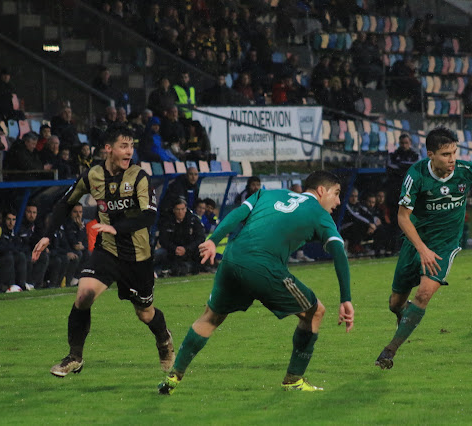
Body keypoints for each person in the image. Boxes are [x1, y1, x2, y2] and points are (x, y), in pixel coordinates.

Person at [157, 170, 354, 395]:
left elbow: (237, 214)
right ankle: (293, 380)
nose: (338, 201)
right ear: (321, 191)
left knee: (210, 318)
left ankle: (175, 375)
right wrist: (346, 298)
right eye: (336, 194)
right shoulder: (319, 214)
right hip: (263, 267)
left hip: (232, 259)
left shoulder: (267, 194)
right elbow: (339, 251)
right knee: (315, 312)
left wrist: (213, 241)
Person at [31, 126, 175, 377]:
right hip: (107, 251)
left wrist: (116, 228)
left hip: (138, 257)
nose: (129, 151)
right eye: (123, 146)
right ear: (108, 149)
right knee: (84, 294)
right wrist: (47, 235)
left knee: (144, 313)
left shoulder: (139, 176)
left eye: (131, 146)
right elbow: (65, 203)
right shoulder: (92, 176)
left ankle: (164, 340)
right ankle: (74, 356)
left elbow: (149, 215)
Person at [375, 127, 472, 369]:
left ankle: (390, 350)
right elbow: (402, 217)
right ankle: (404, 316)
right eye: (445, 154)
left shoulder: (468, 172)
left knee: (422, 294)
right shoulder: (416, 175)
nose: (452, 159)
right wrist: (421, 248)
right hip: (416, 242)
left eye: (454, 152)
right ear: (430, 154)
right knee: (394, 303)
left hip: (445, 244)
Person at [156, 199, 206, 276]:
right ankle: (157, 270)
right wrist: (174, 248)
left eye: (182, 209)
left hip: (190, 250)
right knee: (158, 254)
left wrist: (187, 249)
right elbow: (163, 239)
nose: (180, 212)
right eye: (178, 209)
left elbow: (201, 238)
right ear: (174, 210)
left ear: (186, 209)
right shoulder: (167, 221)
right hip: (172, 251)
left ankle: (195, 268)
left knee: (203, 252)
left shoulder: (193, 220)